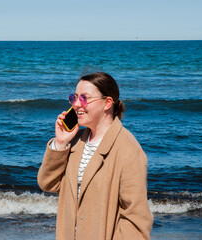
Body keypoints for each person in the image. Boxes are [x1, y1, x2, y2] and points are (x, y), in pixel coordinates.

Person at [38, 72, 153, 239]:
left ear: (107, 103)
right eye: (74, 97)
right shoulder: (76, 141)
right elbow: (47, 183)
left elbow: (136, 220)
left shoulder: (128, 149)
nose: (76, 104)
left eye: (84, 98)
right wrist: (60, 143)